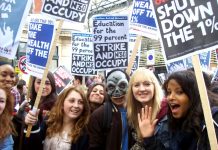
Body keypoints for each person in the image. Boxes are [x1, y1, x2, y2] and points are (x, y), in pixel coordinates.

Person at [139, 70, 218, 149]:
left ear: (193, 95)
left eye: (179, 92)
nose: (170, 97)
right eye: (169, 92)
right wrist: (149, 138)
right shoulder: (175, 123)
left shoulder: (213, 119)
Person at [24, 86, 90, 150]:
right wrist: (32, 125)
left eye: (80, 102)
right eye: (72, 101)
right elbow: (33, 145)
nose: (76, 105)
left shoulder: (84, 133)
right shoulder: (49, 120)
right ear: (62, 103)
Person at [13, 71, 57, 150]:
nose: (43, 86)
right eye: (39, 82)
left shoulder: (57, 106)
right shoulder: (29, 102)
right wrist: (19, 116)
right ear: (33, 84)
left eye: (47, 83)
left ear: (52, 85)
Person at [126, 68, 169, 149]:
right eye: (136, 85)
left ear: (155, 86)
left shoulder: (169, 112)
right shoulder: (131, 112)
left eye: (147, 84)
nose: (142, 89)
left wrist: (149, 138)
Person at [88, 69, 129, 150]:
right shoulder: (98, 115)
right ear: (107, 90)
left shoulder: (138, 111)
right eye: (111, 86)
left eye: (122, 85)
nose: (117, 91)